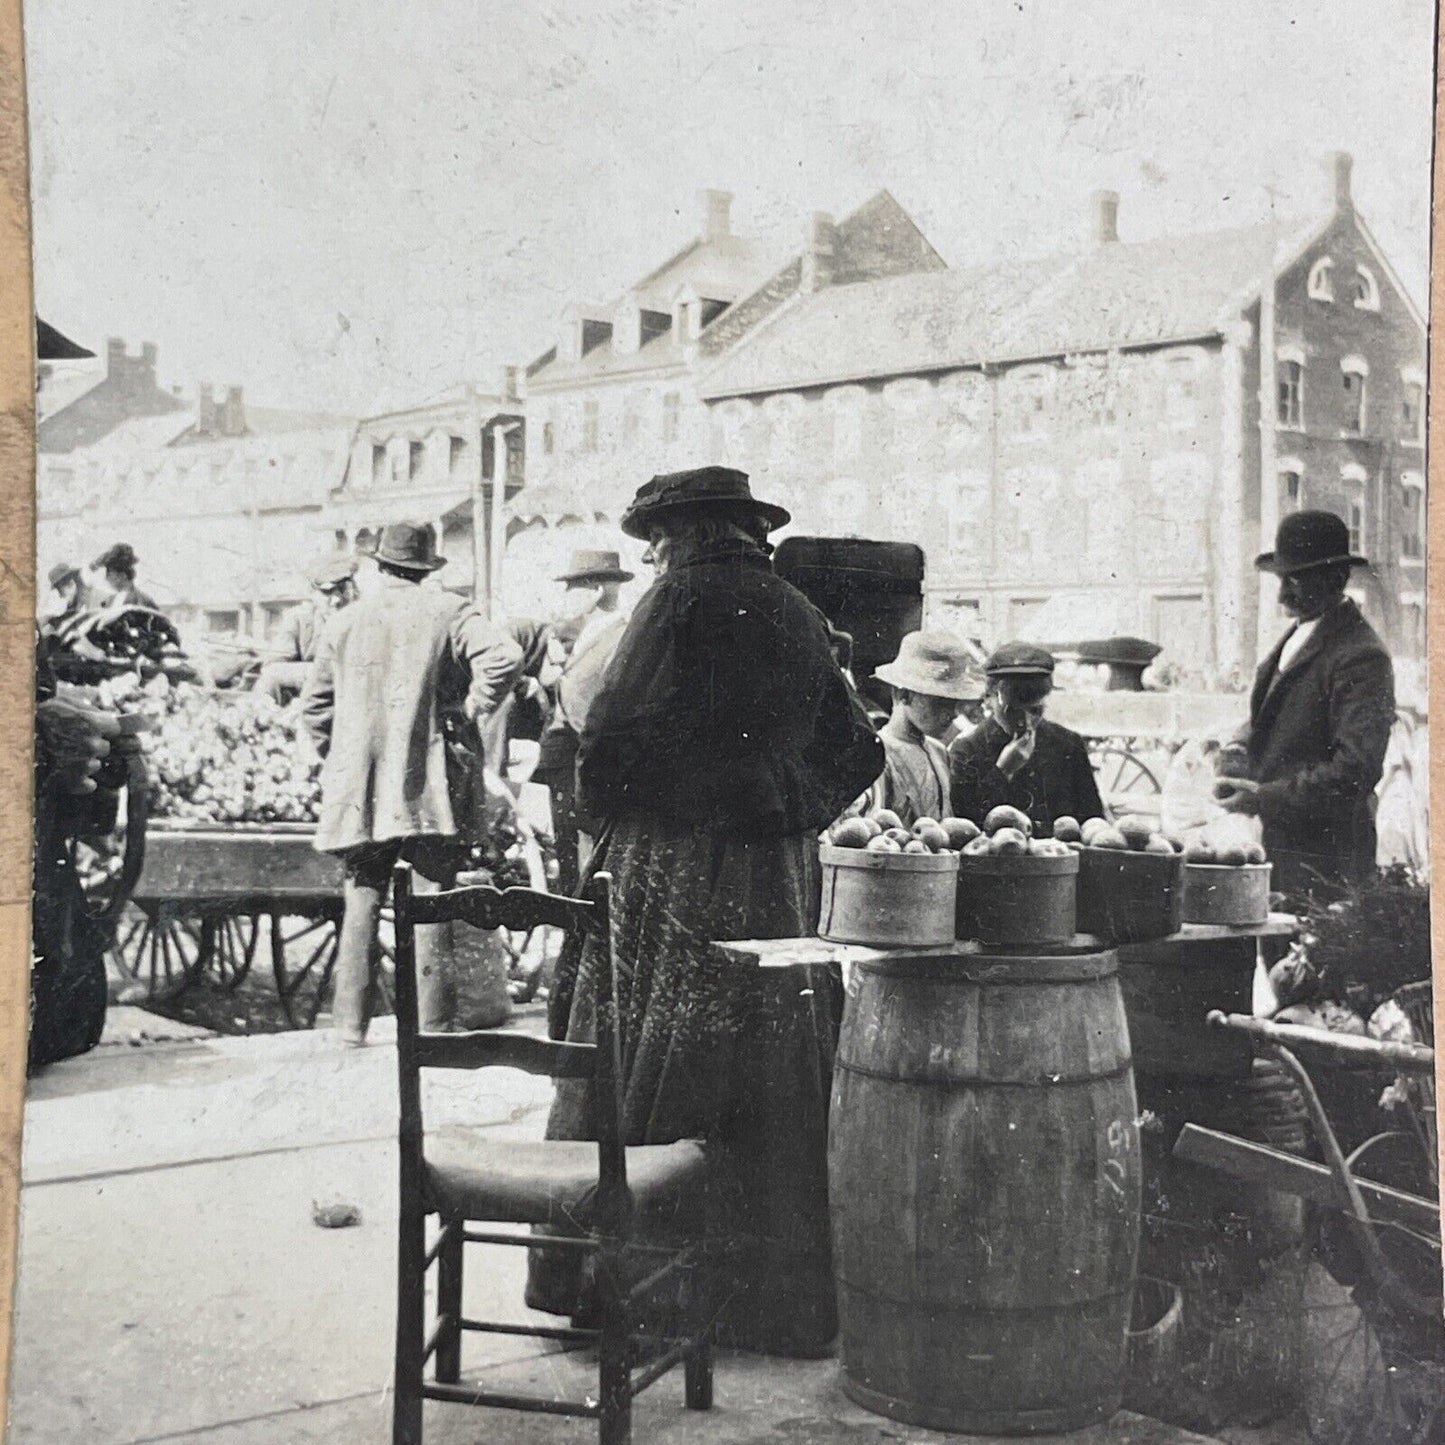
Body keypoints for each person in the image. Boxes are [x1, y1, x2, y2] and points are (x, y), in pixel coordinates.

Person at [526, 467, 881, 1357]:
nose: (650, 552)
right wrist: (785, 808)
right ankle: (772, 1302)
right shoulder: (797, 611)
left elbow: (604, 740)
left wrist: (639, 817)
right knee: (772, 1062)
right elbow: (858, 749)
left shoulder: (673, 599)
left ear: (684, 533)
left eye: (656, 535)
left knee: (646, 1042)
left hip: (671, 867)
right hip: (776, 875)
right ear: (744, 530)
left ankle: (631, 1290)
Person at [300, 522, 525, 1045]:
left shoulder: (345, 620)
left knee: (361, 895)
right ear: (428, 567)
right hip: (429, 787)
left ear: (380, 566)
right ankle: (436, 1027)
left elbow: (314, 708)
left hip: (360, 787)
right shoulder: (449, 611)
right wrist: (471, 709)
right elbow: (505, 657)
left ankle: (349, 1029)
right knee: (432, 895)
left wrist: (336, 757)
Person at [1214, 510, 1394, 904]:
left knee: (1310, 963)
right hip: (1284, 852)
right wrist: (1237, 746)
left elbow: (1355, 770)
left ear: (1336, 579)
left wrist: (1263, 797)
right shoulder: (1301, 634)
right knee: (1279, 959)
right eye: (1281, 579)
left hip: (1328, 862)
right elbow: (1278, 713)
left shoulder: (1361, 656)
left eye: (1295, 579)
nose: (1282, 595)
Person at [530, 548, 634, 894]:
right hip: (565, 761)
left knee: (592, 862)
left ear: (596, 591)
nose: (566, 597)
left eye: (573, 587)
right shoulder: (579, 636)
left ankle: (586, 939)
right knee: (569, 855)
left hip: (592, 760)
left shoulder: (623, 636)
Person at [949, 642, 1104, 833]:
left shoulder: (1068, 745)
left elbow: (1093, 821)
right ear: (989, 697)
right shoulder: (967, 750)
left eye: (1035, 710)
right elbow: (962, 829)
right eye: (1011, 710)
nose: (1026, 721)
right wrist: (1002, 772)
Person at [862, 630, 978, 826]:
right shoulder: (877, 754)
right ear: (903, 694)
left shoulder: (940, 752)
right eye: (941, 701)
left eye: (956, 702)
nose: (954, 713)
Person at [256, 554, 358, 703]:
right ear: (312, 594)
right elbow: (272, 668)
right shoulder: (300, 619)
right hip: (312, 699)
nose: (336, 599)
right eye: (327, 592)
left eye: (342, 590)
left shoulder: (364, 620)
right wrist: (319, 671)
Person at [91, 543, 161, 612]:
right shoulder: (109, 601)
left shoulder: (143, 602)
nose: (106, 578)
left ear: (122, 575)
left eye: (109, 573)